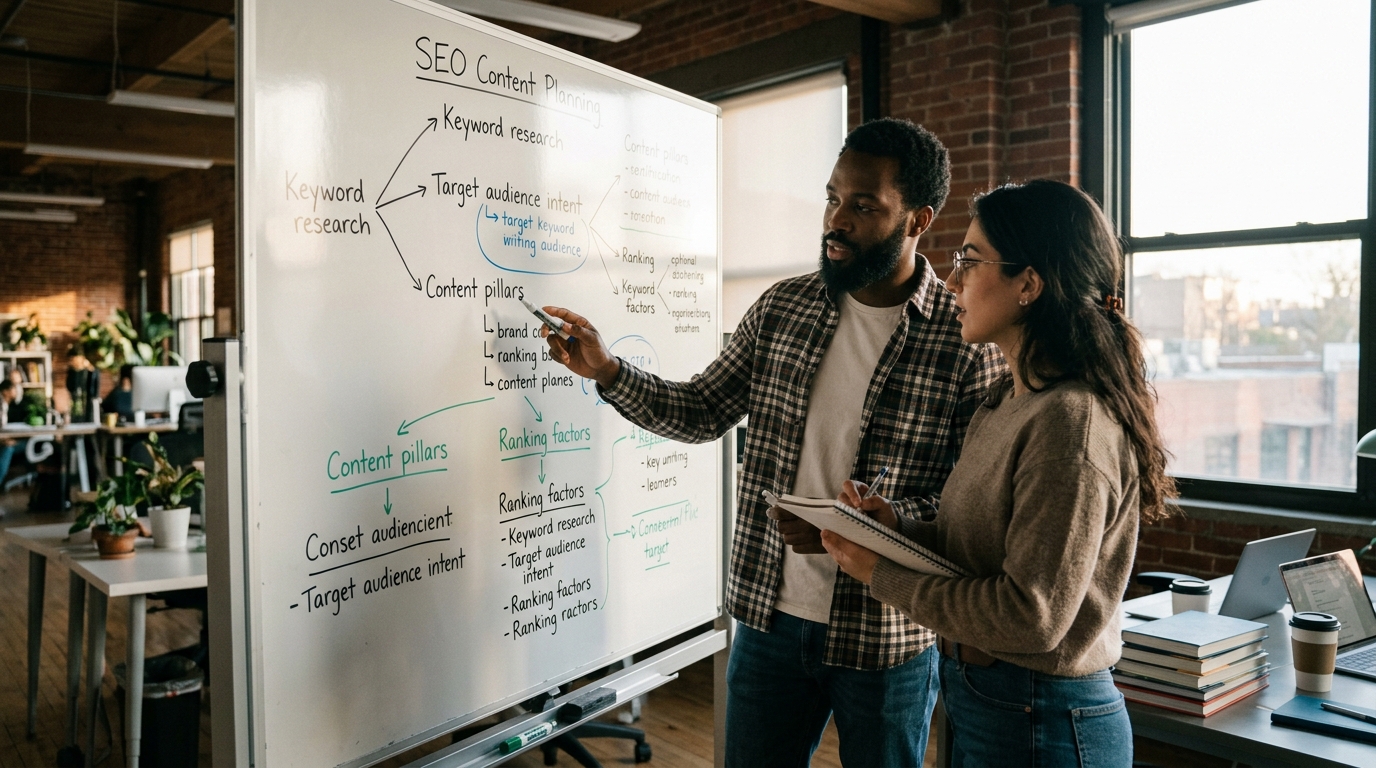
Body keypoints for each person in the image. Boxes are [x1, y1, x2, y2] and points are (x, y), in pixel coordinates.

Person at [541, 118, 1006, 766]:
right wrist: (609, 371)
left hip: (884, 634)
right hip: (767, 616)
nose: (835, 219)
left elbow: (970, 510)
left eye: (863, 205)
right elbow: (702, 410)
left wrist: (872, 526)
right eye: (832, 197)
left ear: (917, 221)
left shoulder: (965, 342)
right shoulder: (782, 308)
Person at [821, 180, 1177, 768]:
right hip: (991, 701)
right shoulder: (1007, 399)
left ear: (1029, 284)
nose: (953, 279)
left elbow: (1030, 616)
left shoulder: (1070, 422)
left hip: (1042, 718)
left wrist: (882, 573)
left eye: (970, 260)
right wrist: (896, 531)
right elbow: (985, 548)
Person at [0, 379, 25, 487]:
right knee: (8, 449)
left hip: (3, 439)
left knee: (28, 444)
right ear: (5, 391)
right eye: (13, 389)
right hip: (2, 442)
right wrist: (4, 440)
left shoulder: (7, 405)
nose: (16, 391)